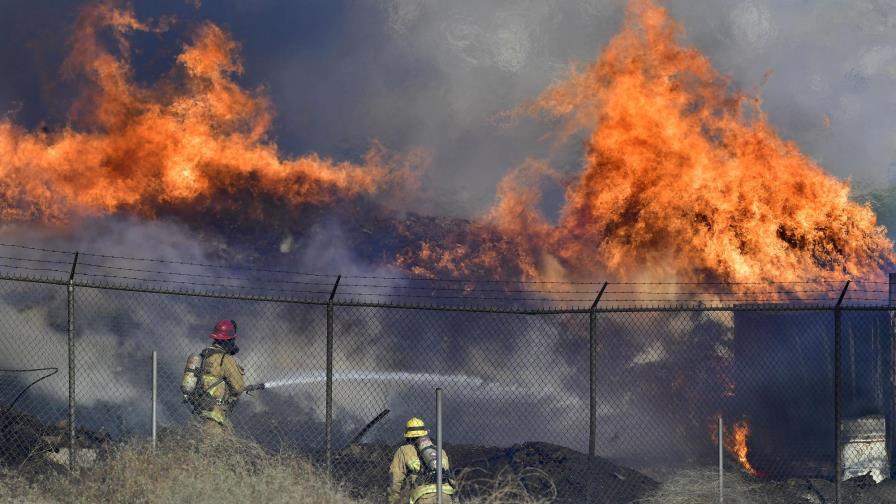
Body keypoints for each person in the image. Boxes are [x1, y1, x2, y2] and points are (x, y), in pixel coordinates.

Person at [190, 319, 246, 436]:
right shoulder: (225, 359)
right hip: (215, 414)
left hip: (201, 410)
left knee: (227, 444)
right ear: (229, 340)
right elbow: (238, 387)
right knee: (213, 449)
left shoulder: (204, 356)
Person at [388, 417, 456, 504]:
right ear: (424, 433)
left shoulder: (403, 450)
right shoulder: (440, 450)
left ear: (408, 436)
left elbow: (395, 478)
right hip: (445, 494)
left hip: (423, 496)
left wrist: (393, 500)